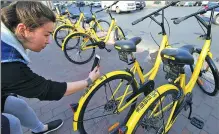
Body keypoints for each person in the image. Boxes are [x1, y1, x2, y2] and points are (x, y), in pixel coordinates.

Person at [1, 1, 100, 134]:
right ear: (22, 30)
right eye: (46, 35)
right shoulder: (8, 65)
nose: (49, 41)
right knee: (10, 124)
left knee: (18, 105)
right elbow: (47, 90)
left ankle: (40, 129)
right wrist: (89, 80)